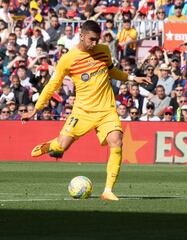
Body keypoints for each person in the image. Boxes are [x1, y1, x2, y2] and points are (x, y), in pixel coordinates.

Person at [21, 20, 151, 201]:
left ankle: (108, 190)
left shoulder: (103, 50)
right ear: (81, 36)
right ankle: (50, 146)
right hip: (82, 112)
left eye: (97, 39)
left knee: (117, 141)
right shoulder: (68, 59)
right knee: (62, 146)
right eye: (91, 39)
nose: (95, 43)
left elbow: (111, 71)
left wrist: (131, 78)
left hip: (106, 110)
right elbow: (53, 85)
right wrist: (35, 109)